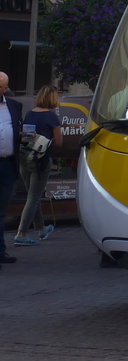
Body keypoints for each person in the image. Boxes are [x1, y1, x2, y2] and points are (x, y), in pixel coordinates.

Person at [14, 84, 62, 246]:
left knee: (32, 195)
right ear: (53, 98)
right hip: (41, 161)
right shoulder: (52, 116)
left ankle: (41, 228)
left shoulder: (30, 114)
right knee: (33, 197)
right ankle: (21, 233)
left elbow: (26, 136)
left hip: (24, 158)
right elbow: (59, 142)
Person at [0, 71, 22, 265]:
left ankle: (1, 251)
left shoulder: (14, 107)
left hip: (8, 164)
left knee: (2, 211)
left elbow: (17, 131)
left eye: (1, 86)